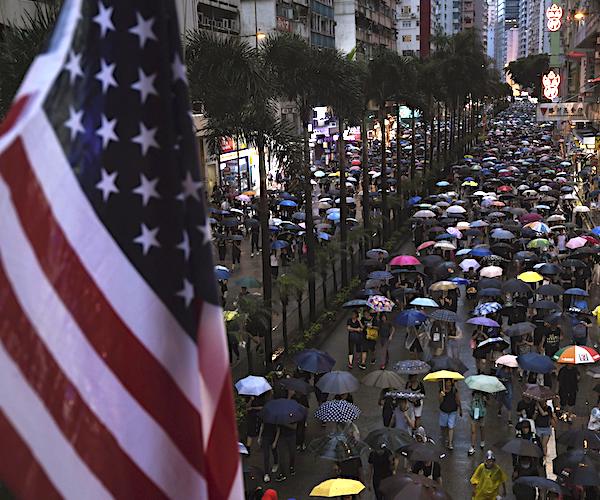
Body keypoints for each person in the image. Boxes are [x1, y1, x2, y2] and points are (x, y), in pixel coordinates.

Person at [439, 379, 462, 450]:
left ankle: (450, 443)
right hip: (444, 411)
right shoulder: (441, 390)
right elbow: (440, 401)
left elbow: (457, 400)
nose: (448, 384)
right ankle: (446, 438)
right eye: (447, 382)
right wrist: (441, 396)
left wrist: (460, 409)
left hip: (452, 411)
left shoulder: (454, 390)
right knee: (444, 426)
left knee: (451, 426)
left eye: (449, 382)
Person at [469, 390, 487, 456]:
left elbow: (489, 404)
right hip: (474, 413)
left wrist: (485, 400)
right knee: (473, 431)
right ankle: (472, 446)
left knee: (482, 428)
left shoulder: (485, 394)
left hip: (481, 414)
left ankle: (482, 441)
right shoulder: (473, 393)